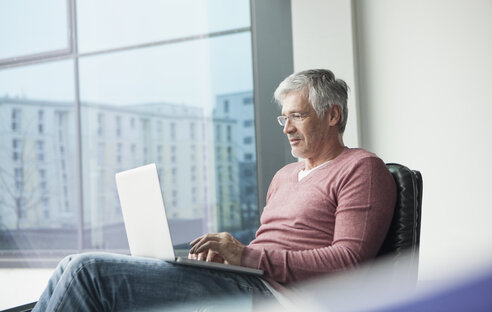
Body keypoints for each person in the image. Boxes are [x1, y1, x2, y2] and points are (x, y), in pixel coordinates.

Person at [32, 69, 396, 311]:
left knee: (86, 271)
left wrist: (247, 257)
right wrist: (232, 259)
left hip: (277, 298)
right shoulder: (284, 176)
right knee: (69, 264)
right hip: (247, 282)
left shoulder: (362, 168)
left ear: (332, 115)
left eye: (297, 116)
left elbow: (349, 262)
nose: (286, 128)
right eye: (283, 118)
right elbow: (270, 249)